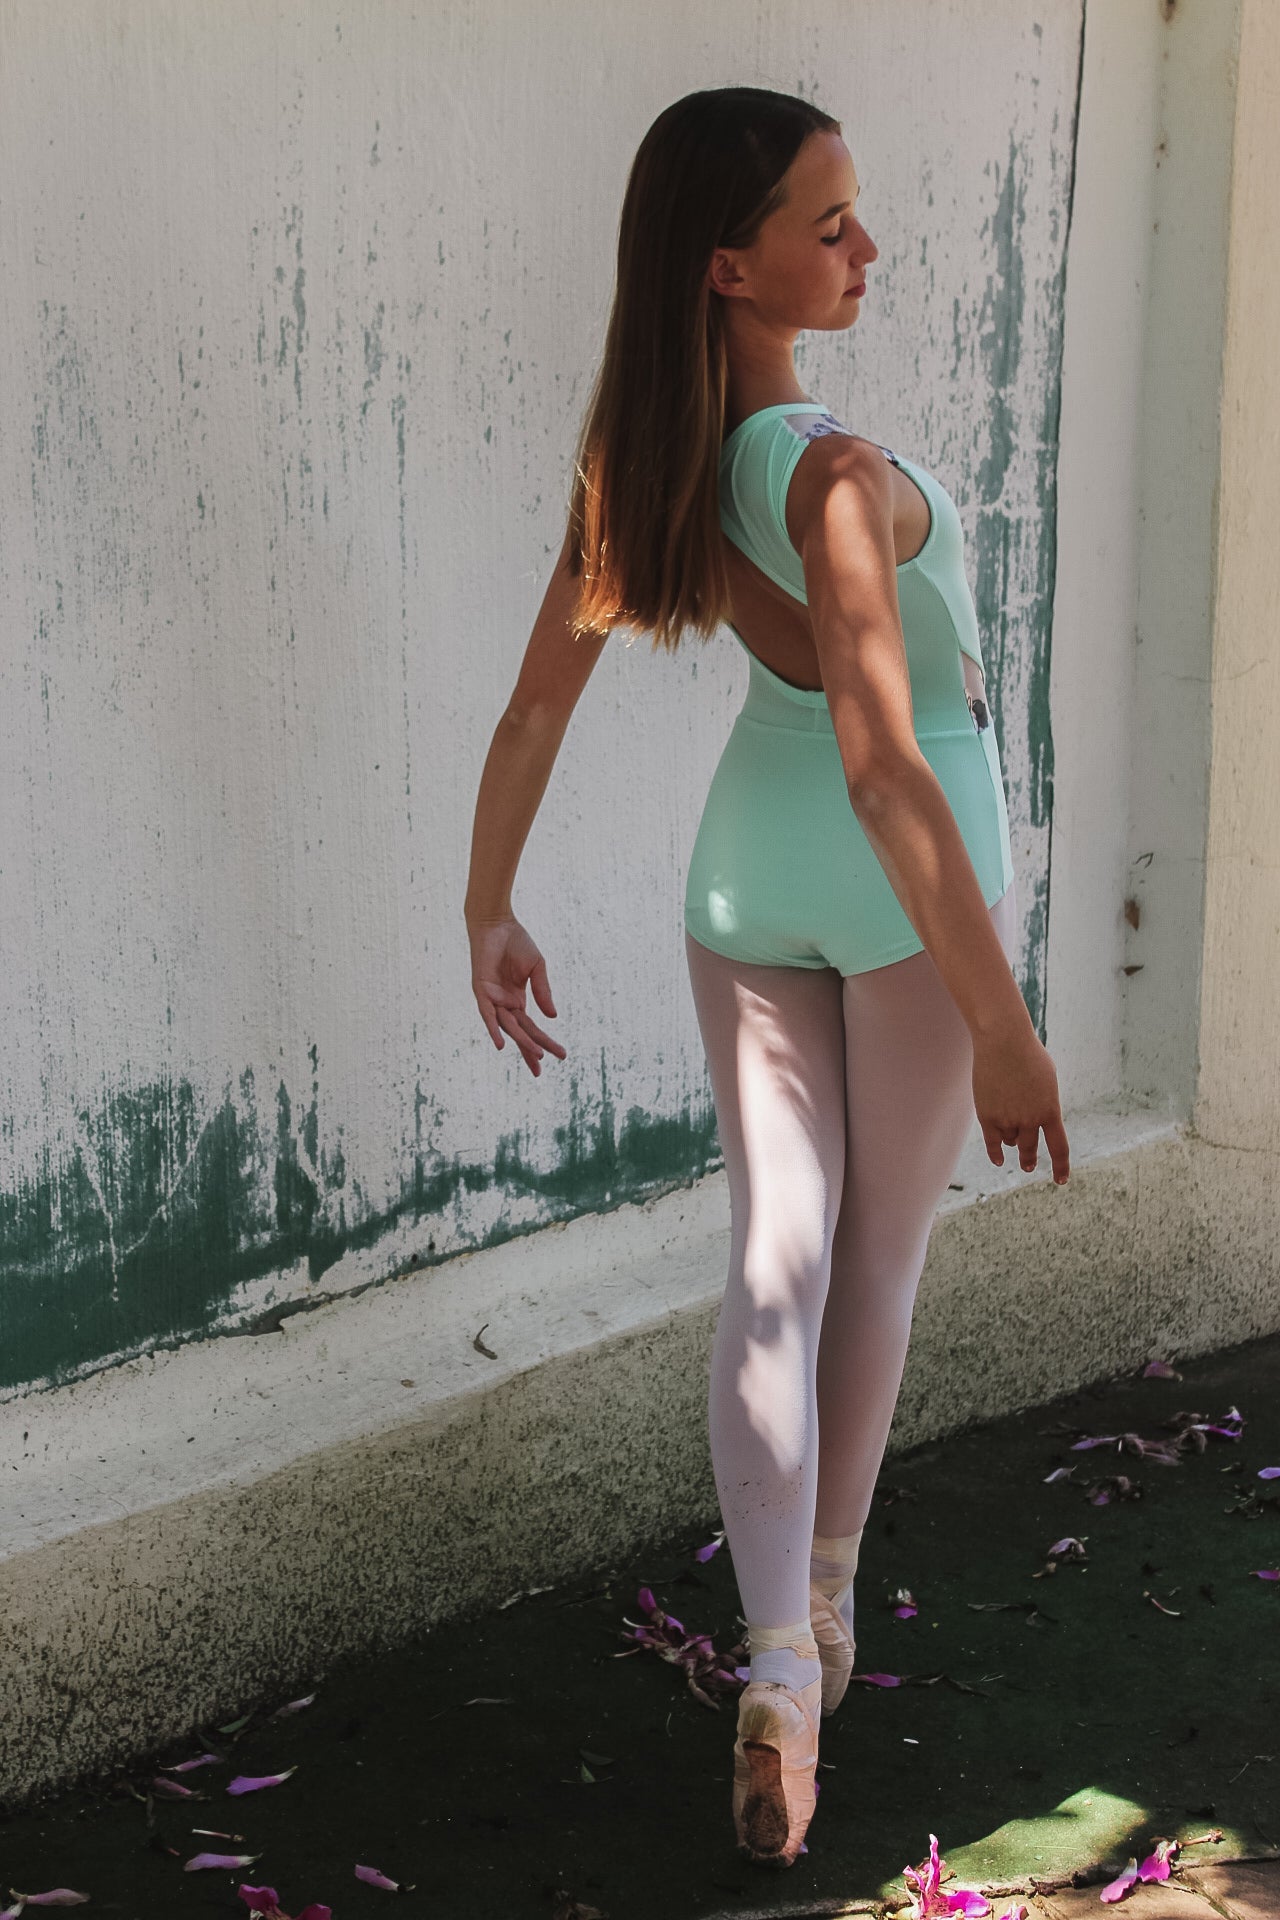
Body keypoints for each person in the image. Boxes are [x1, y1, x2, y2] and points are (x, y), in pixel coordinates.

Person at [464, 86, 1071, 1871]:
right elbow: (889, 767)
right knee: (869, 1260)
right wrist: (1006, 1025)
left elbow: (533, 706)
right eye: (831, 222)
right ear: (732, 267)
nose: (868, 247)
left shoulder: (648, 459)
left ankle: (775, 1666)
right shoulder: (833, 477)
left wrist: (489, 907)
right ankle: (822, 1617)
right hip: (908, 890)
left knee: (771, 1256)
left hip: (746, 874)